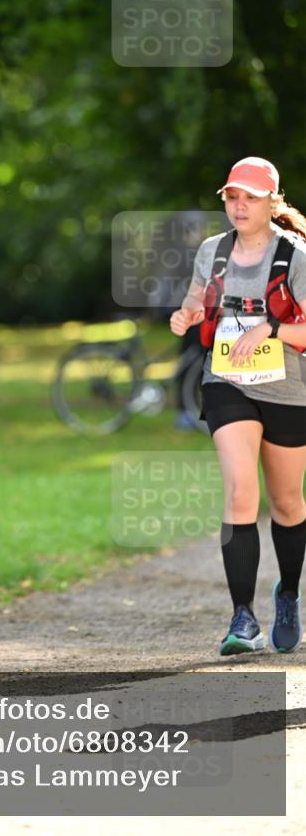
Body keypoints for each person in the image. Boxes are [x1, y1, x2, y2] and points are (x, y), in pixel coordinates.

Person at [170, 157, 306, 656]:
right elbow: (195, 302)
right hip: (227, 382)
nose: (240, 204)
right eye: (232, 196)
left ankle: (288, 593)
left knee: (287, 503)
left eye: (250, 196)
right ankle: (242, 618)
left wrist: (271, 328)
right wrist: (185, 316)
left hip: (290, 389)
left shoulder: (296, 255)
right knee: (240, 490)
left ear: (273, 200)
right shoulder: (213, 251)